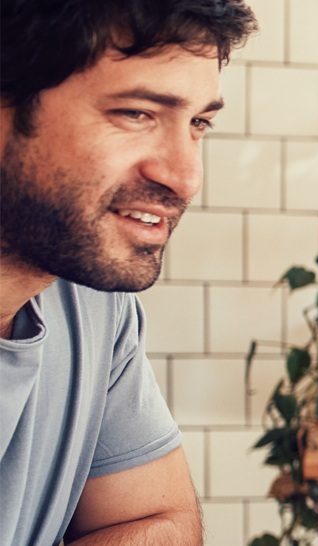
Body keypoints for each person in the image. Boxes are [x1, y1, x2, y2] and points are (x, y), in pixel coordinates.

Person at [0, 0, 255, 543]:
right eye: (136, 113)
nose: (186, 177)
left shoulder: (89, 295)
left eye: (199, 123)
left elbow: (159, 523)